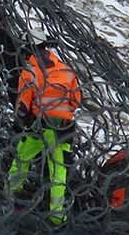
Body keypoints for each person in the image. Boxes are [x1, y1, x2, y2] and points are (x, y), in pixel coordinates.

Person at [7, 36, 83, 225]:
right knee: (59, 170)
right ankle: (57, 216)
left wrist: (20, 123)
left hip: (40, 127)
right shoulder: (66, 70)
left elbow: (23, 107)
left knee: (22, 157)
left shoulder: (30, 71)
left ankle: (11, 196)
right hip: (64, 129)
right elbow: (76, 101)